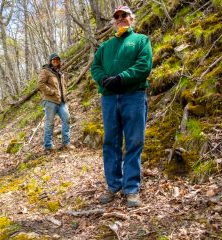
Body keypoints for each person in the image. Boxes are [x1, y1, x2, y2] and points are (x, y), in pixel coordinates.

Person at [90, 5, 153, 207]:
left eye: (123, 15)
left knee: (134, 141)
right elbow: (95, 67)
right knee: (111, 142)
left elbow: (144, 66)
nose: (120, 18)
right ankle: (113, 185)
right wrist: (104, 80)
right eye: (116, 16)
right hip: (109, 98)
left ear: (131, 18)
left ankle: (131, 189)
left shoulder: (141, 40)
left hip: (133, 96)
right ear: (113, 21)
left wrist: (122, 78)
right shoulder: (105, 47)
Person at [37, 53, 75, 152]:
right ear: (50, 61)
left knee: (66, 118)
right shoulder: (45, 71)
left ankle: (66, 143)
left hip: (62, 101)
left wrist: (64, 95)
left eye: (57, 60)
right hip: (50, 101)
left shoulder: (60, 73)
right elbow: (40, 84)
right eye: (53, 60)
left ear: (59, 62)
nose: (56, 61)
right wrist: (51, 92)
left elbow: (63, 86)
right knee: (49, 123)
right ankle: (48, 145)